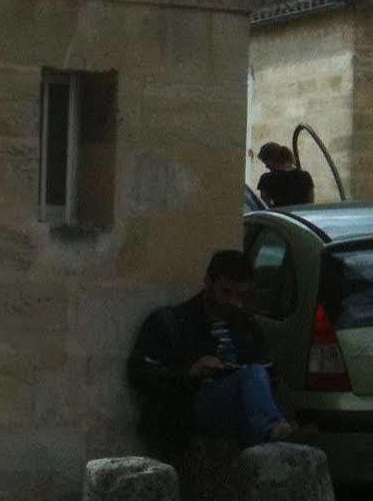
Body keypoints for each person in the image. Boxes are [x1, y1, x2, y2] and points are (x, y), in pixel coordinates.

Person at [129, 250, 304, 456]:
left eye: (240, 296)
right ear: (208, 283)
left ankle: (273, 436)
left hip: (240, 412)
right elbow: (140, 372)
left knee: (255, 377)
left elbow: (270, 373)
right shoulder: (172, 322)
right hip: (190, 408)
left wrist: (240, 374)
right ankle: (274, 429)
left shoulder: (247, 326)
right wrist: (191, 373)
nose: (233, 302)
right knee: (254, 375)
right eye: (226, 293)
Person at [257, 142, 316, 209]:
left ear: (272, 159)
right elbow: (311, 205)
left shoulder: (266, 179)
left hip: (280, 217)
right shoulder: (305, 176)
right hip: (302, 217)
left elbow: (265, 206)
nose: (266, 166)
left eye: (266, 162)